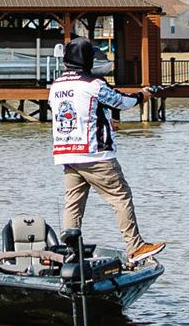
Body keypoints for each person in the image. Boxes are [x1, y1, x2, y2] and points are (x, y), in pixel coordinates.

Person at [47, 38, 165, 265]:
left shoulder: (56, 86)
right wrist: (144, 94)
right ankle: (135, 247)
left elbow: (75, 113)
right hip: (96, 155)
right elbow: (122, 102)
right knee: (120, 197)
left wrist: (107, 122)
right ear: (86, 60)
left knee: (73, 202)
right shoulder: (94, 84)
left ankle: (71, 249)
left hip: (67, 154)